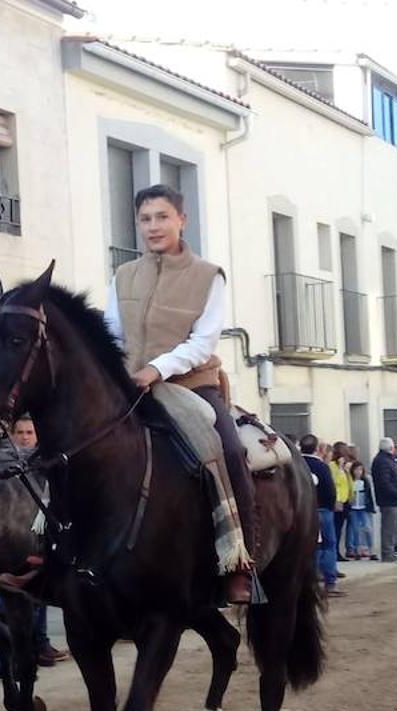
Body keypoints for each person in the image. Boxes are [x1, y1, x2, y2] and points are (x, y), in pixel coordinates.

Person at [104, 184, 255, 604]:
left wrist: (156, 369)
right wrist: (117, 373)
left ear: (181, 220)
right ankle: (54, 549)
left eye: (162, 216)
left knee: (229, 450)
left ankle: (239, 562)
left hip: (191, 384)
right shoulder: (122, 276)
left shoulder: (208, 276)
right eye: (146, 218)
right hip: (131, 384)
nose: (153, 226)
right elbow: (111, 333)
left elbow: (202, 343)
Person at [0, 415, 67, 677]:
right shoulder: (8, 459)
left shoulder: (38, 460)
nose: (25, 437)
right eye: (20, 432)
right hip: (8, 541)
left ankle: (38, 645)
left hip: (33, 535)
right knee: (4, 601)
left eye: (30, 432)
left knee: (34, 592)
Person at [300, 435, 342, 597]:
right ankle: (329, 582)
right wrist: (331, 504)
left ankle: (312, 582)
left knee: (311, 547)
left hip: (303, 510)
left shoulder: (296, 463)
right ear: (316, 449)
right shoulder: (321, 466)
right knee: (328, 545)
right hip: (323, 509)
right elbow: (329, 489)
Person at [372, 438, 397, 563]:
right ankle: (387, 553)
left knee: (391, 528)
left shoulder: (385, 459)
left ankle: (390, 552)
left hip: (392, 499)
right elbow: (384, 482)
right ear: (390, 448)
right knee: (388, 528)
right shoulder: (382, 461)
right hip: (389, 500)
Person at [346, 460, 377, 560]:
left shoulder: (365, 481)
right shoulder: (350, 481)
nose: (358, 472)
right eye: (356, 470)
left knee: (367, 528)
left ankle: (370, 549)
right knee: (355, 530)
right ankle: (357, 550)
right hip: (354, 508)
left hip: (363, 508)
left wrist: (371, 507)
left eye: (360, 470)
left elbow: (369, 495)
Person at [330, 442, 352, 563]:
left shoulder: (343, 467)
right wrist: (340, 468)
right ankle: (335, 552)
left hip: (345, 499)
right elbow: (334, 483)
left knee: (340, 528)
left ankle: (338, 551)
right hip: (338, 501)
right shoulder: (333, 466)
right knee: (336, 528)